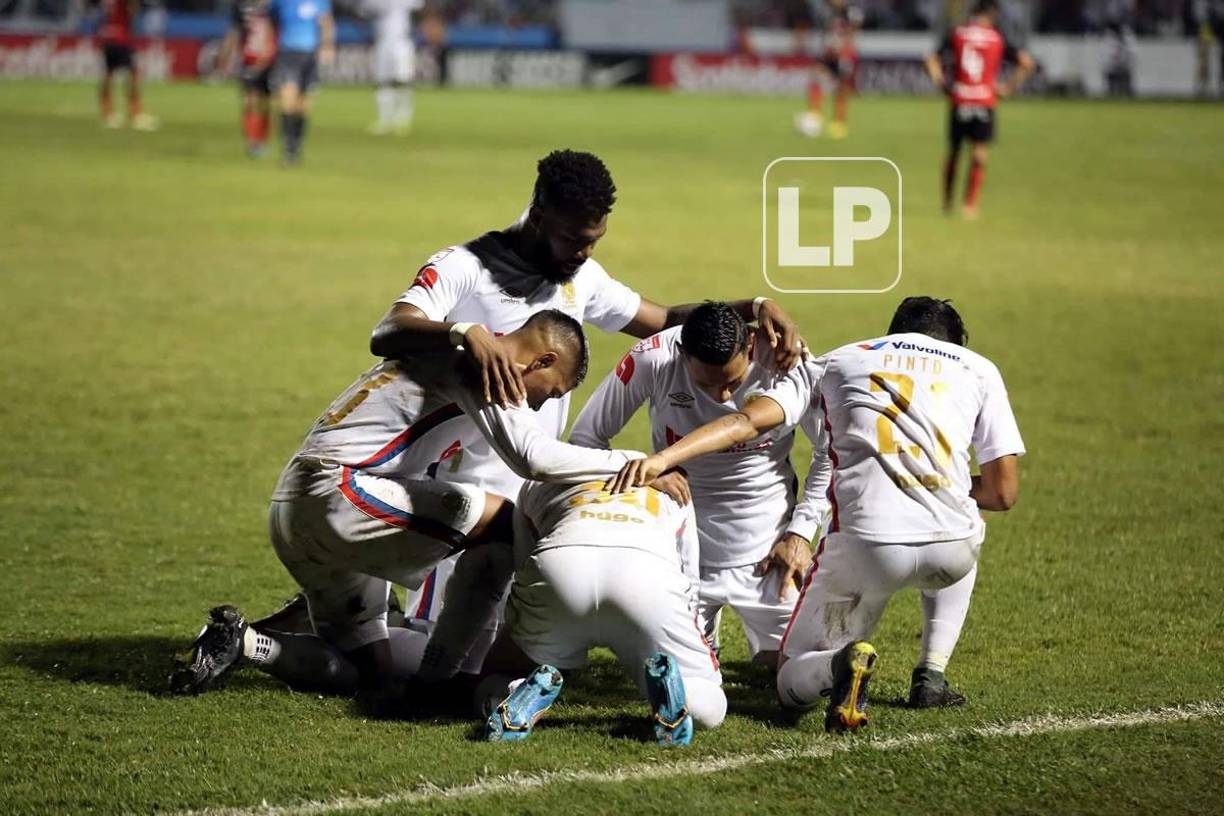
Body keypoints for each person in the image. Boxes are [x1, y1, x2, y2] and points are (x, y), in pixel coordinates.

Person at [367, 149, 802, 660]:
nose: (583, 252)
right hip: (462, 491)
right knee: (434, 654)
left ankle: (356, 618)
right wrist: (464, 333)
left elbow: (662, 319)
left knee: (501, 651)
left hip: (532, 493)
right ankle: (310, 633)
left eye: (594, 241)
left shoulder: (580, 277)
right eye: (574, 239)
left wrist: (753, 306)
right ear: (540, 213)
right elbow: (389, 331)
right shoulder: (466, 267)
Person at [171, 310, 647, 698]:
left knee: (369, 675)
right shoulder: (482, 364)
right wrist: (644, 462)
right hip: (337, 493)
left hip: (294, 504)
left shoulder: (446, 349)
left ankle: (246, 642)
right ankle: (442, 683)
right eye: (553, 392)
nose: (542, 407)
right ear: (542, 360)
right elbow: (533, 458)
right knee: (505, 522)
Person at [611, 297, 1024, 732]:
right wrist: (930, 487)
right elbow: (1002, 493)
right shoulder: (979, 368)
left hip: (865, 546)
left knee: (789, 677)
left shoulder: (838, 361)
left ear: (892, 333)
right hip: (951, 551)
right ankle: (932, 673)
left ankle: (839, 665)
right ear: (955, 344)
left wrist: (662, 459)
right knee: (968, 522)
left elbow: (749, 422)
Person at [570, 302, 826, 669]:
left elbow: (828, 450)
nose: (722, 397)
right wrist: (646, 472)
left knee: (792, 671)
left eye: (734, 383)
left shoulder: (786, 360)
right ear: (681, 354)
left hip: (769, 550)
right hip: (680, 548)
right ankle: (703, 638)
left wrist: (801, 532)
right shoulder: (653, 358)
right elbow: (585, 439)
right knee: (683, 675)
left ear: (751, 344)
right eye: (707, 384)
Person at [477, 478, 725, 746]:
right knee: (709, 695)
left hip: (561, 566)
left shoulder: (537, 478)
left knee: (493, 678)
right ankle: (679, 696)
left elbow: (523, 561)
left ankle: (514, 692)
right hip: (647, 576)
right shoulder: (674, 481)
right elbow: (690, 574)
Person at [924, 0, 1035, 219]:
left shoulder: (958, 33)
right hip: (984, 100)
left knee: (954, 152)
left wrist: (942, 84)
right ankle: (970, 206)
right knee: (979, 154)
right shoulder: (997, 36)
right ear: (993, 14)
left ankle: (947, 204)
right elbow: (1027, 62)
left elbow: (930, 60)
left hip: (960, 98)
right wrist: (1007, 88)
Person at [268, 0, 336, 165]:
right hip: (288, 54)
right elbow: (271, 21)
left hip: (310, 56)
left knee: (303, 105)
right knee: (286, 100)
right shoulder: (281, 2)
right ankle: (287, 147)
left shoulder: (320, 2)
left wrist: (327, 46)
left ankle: (296, 147)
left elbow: (326, 23)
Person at [794, 0, 862, 140]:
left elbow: (853, 33)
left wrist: (846, 50)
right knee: (816, 78)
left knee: (841, 88)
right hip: (828, 53)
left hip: (844, 55)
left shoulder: (851, 11)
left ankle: (839, 122)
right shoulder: (825, 10)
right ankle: (815, 115)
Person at [217, 0, 277, 156]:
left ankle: (262, 140)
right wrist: (225, 54)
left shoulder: (274, 6)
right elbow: (234, 32)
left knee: (265, 103)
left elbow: (278, 30)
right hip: (248, 61)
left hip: (270, 62)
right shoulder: (239, 6)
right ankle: (252, 141)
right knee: (249, 101)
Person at [94, 0, 158, 130]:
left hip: (107, 36)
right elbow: (133, 9)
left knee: (108, 75)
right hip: (121, 38)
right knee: (132, 76)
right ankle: (136, 114)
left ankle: (107, 114)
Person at [363, 0, 423, 134]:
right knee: (383, 81)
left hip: (402, 41)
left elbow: (419, 7)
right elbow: (364, 9)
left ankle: (403, 118)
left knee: (403, 80)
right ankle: (385, 119)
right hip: (383, 41)